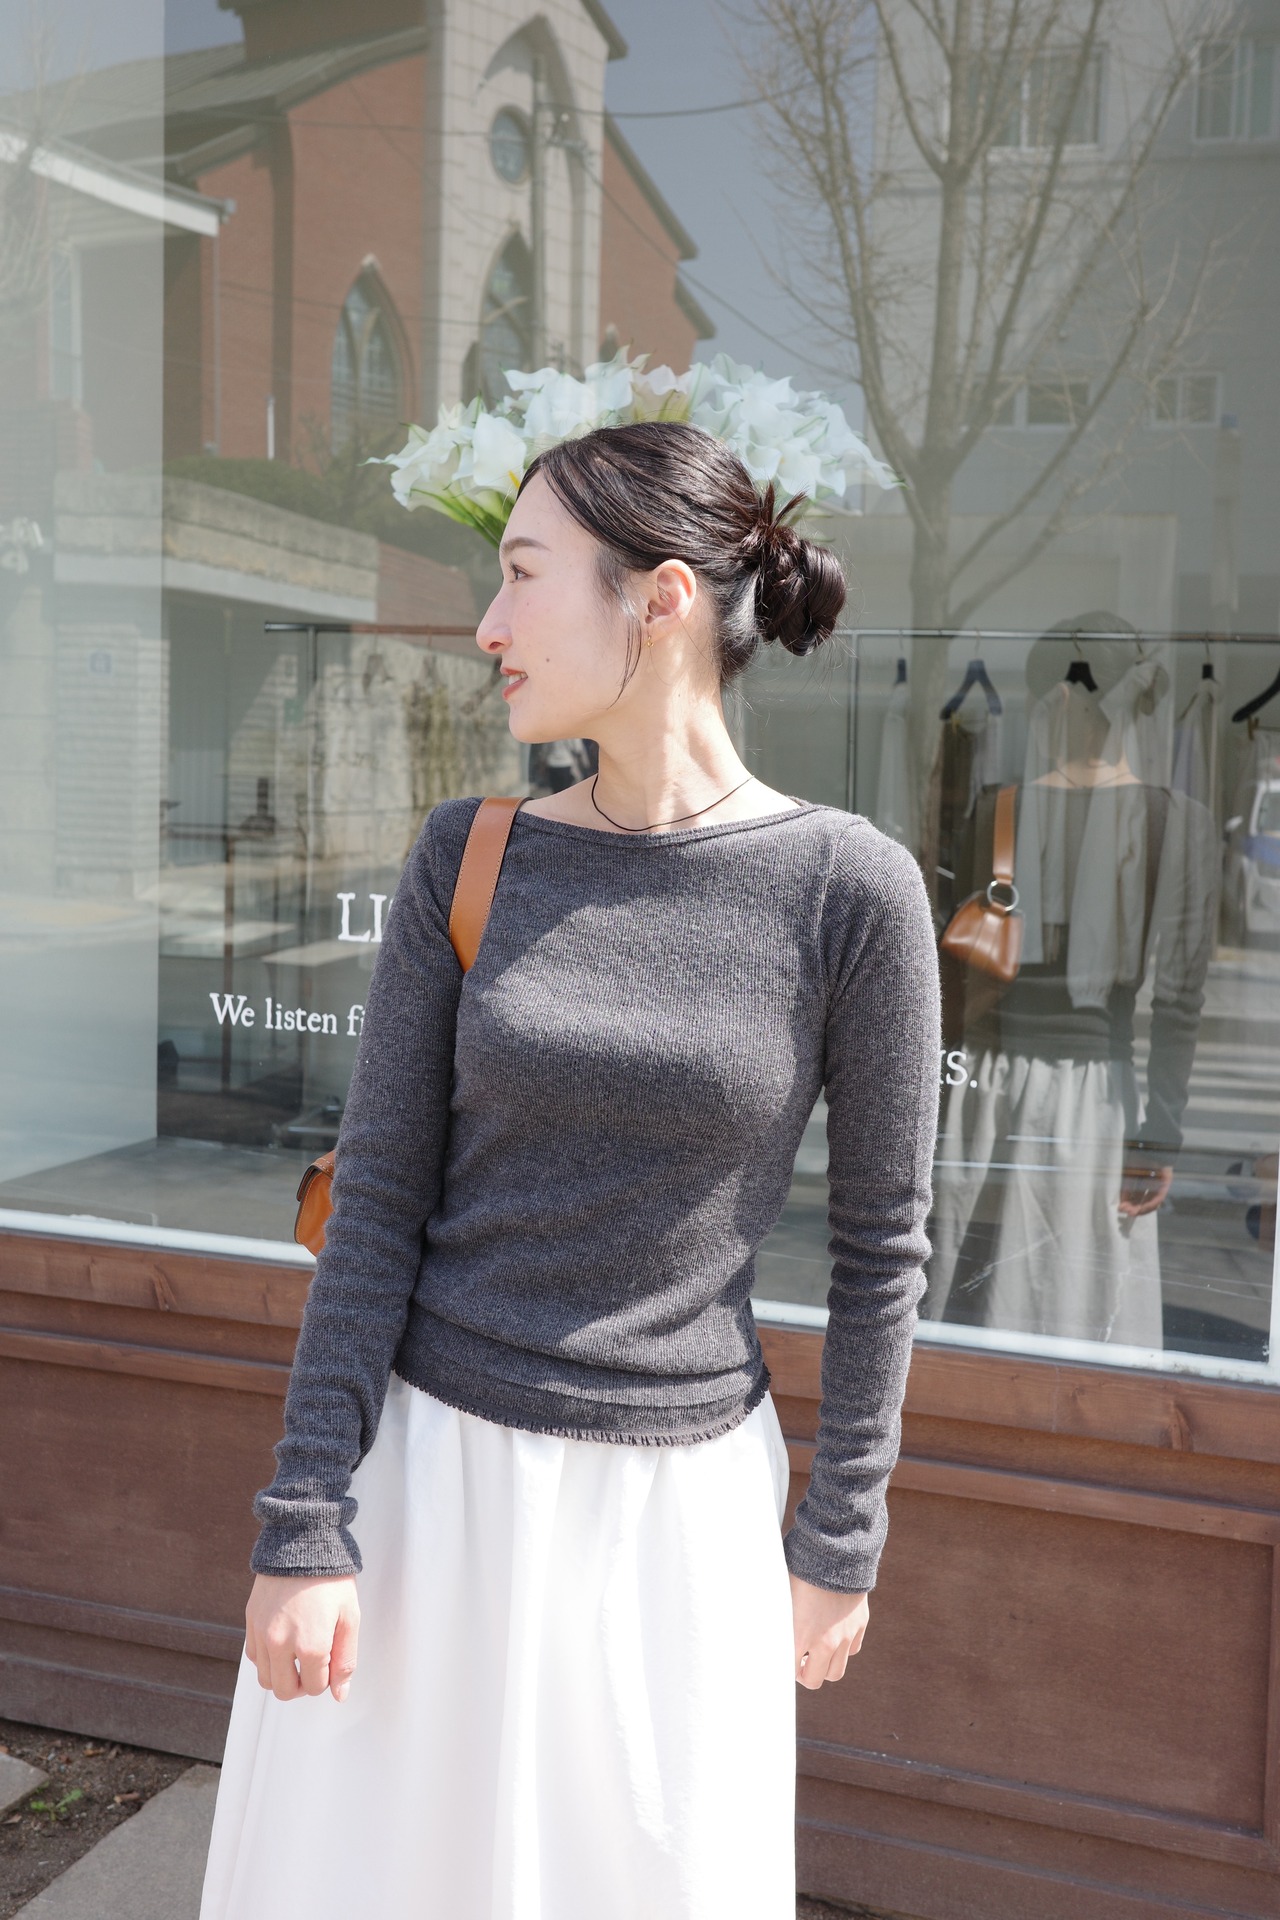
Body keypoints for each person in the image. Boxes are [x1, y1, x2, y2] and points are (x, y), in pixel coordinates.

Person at [200, 422, 941, 1920]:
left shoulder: (849, 890)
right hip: (433, 1489)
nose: (488, 625)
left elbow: (882, 1251)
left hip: (679, 1522)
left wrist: (840, 1538)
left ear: (659, 599)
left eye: (523, 575)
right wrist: (305, 1519)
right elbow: (379, 1205)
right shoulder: (468, 857)